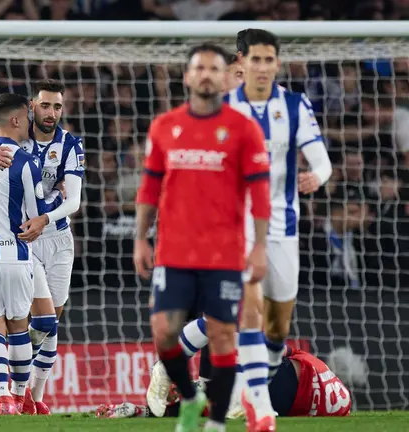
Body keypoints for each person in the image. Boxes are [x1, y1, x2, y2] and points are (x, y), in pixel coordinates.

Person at [133, 42, 271, 432]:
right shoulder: (164, 127)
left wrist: (259, 247)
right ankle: (190, 396)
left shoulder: (244, 129)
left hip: (223, 254)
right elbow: (149, 188)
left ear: (224, 78)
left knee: (224, 335)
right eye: (200, 68)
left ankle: (215, 422)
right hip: (174, 251)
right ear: (188, 76)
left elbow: (259, 193)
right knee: (163, 332)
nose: (207, 74)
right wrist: (140, 239)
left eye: (214, 68)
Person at [225, 29, 333, 431]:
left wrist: (317, 178)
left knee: (278, 326)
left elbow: (321, 162)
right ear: (241, 62)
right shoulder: (225, 108)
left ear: (277, 63)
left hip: (283, 225)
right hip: (238, 225)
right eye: (256, 59)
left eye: (270, 60)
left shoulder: (293, 104)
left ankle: (257, 384)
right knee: (250, 310)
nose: (263, 67)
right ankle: (256, 404)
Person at [0, 79, 85, 415]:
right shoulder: (14, 140)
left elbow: (73, 201)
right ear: (30, 108)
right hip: (20, 241)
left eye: (58, 107)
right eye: (45, 105)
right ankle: (18, 392)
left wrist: (46, 218)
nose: (52, 113)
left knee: (49, 324)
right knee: (27, 321)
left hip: (56, 237)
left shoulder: (70, 145)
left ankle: (33, 392)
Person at [96, 344, 352, 419]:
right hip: (287, 395)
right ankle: (149, 410)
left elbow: (283, 351)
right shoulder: (338, 404)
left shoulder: (319, 369)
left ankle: (175, 383)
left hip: (284, 382)